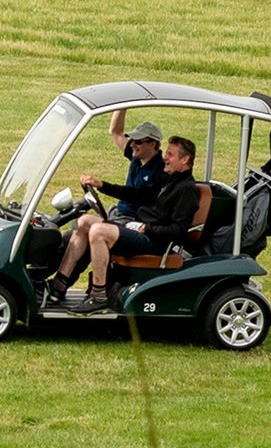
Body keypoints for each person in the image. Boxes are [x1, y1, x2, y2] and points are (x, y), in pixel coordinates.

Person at [48, 120, 211, 309]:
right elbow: (138, 194)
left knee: (98, 231)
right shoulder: (168, 180)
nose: (165, 158)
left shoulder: (186, 189)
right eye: (166, 153)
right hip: (140, 230)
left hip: (154, 242)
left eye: (170, 155)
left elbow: (178, 230)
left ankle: (98, 295)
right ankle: (59, 284)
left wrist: (146, 228)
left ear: (185, 160)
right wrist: (102, 186)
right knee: (84, 221)